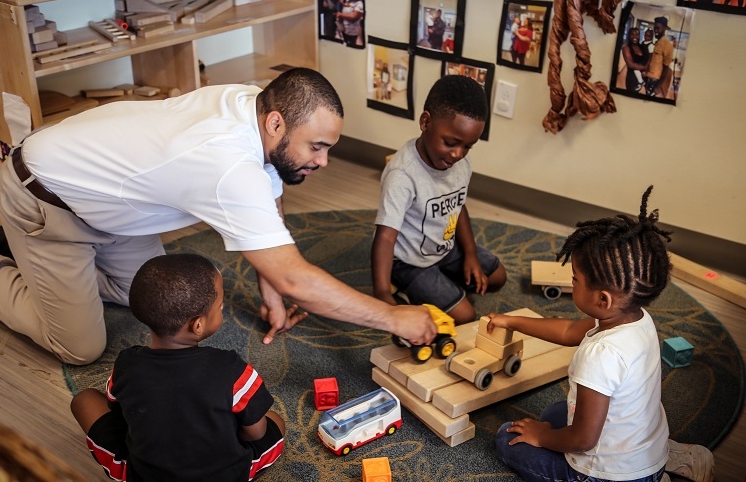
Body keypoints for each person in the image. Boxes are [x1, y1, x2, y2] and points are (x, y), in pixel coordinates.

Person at [0, 67, 436, 365]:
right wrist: (393, 316)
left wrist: (269, 288)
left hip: (115, 208)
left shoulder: (255, 104)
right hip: (45, 200)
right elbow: (296, 278)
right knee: (80, 347)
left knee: (152, 302)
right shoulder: (227, 165)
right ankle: (11, 258)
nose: (323, 161)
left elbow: (268, 200)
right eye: (316, 147)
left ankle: (56, 276)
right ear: (277, 124)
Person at [490, 186, 715, 482]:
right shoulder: (636, 318)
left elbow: (583, 440)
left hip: (610, 475)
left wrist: (543, 438)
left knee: (506, 438)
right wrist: (513, 321)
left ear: (603, 299)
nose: (571, 284)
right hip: (645, 449)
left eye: (575, 279)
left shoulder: (600, 356)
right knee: (555, 413)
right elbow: (568, 330)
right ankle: (673, 458)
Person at [70, 253, 286, 481]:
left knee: (84, 400)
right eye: (220, 306)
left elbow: (117, 409)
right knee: (275, 421)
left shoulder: (127, 364)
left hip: (142, 476)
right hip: (225, 475)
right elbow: (256, 433)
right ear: (198, 325)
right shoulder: (233, 370)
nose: (222, 309)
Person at [371, 75, 507, 325]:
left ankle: (442, 284)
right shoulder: (402, 175)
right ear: (425, 122)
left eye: (468, 146)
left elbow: (458, 207)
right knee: (465, 316)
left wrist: (470, 254)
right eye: (451, 143)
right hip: (410, 261)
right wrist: (381, 294)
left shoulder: (461, 163)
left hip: (444, 249)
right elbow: (385, 236)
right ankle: (404, 290)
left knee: (498, 277)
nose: (458, 154)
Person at [644, 16, 674, 98]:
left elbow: (666, 68)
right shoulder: (657, 42)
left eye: (658, 28)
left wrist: (658, 86)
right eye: (655, 28)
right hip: (649, 77)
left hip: (655, 81)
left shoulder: (667, 45)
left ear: (664, 28)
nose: (655, 31)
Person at [621, 27, 650, 92]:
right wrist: (644, 67)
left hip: (644, 76)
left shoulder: (642, 46)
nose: (635, 36)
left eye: (637, 34)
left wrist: (646, 70)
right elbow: (630, 64)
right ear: (629, 35)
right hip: (632, 80)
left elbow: (648, 58)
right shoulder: (626, 48)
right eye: (632, 34)